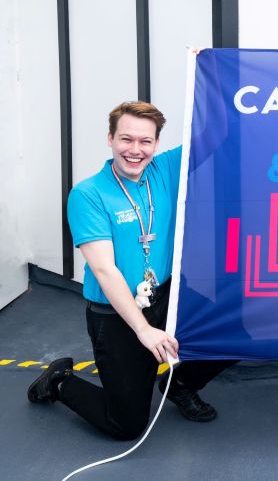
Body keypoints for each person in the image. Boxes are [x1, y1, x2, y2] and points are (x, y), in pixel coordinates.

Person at [27, 101, 234, 440]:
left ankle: (179, 384)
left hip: (166, 294)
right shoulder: (88, 195)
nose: (135, 150)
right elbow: (104, 269)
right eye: (126, 139)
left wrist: (213, 76)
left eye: (145, 141)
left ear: (156, 144)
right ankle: (59, 381)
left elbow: (218, 132)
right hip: (117, 312)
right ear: (110, 138)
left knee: (233, 330)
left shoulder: (165, 169)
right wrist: (143, 330)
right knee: (125, 425)